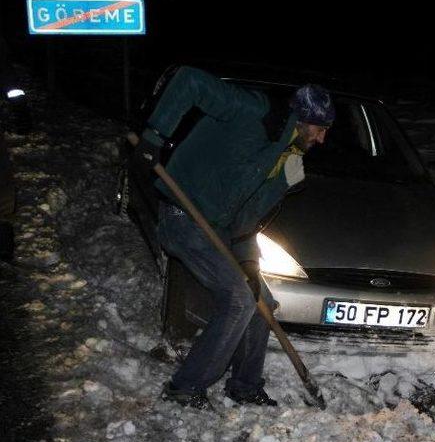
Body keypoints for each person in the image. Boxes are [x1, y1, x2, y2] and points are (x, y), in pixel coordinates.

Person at [139, 66, 334, 409]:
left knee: (261, 303)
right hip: (182, 216)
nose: (321, 139)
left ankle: (243, 387)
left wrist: (249, 263)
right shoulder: (255, 112)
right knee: (239, 299)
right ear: (302, 120)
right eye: (320, 129)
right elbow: (190, 80)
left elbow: (246, 219)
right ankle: (185, 387)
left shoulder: (287, 161)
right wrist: (154, 135)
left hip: (218, 231)